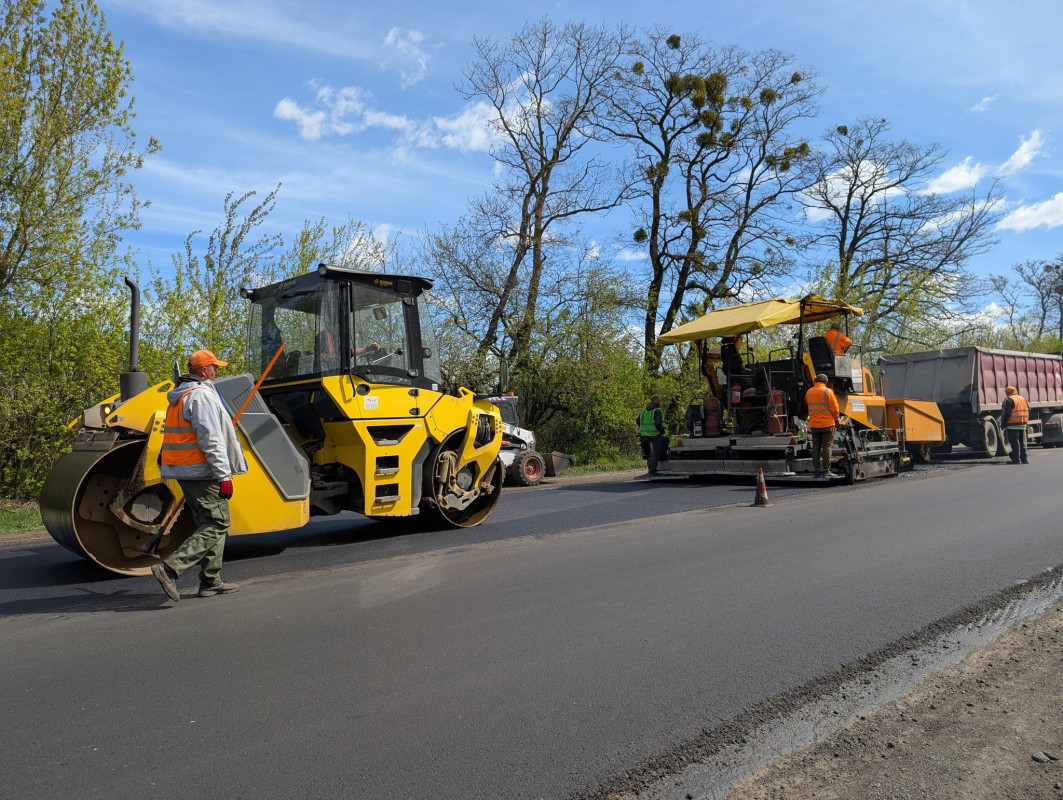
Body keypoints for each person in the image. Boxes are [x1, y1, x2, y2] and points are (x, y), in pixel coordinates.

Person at [152, 349, 248, 602]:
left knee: (209, 524)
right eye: (214, 367)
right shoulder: (201, 396)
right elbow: (210, 438)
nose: (216, 372)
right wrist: (224, 475)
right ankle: (169, 568)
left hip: (187, 471)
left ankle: (210, 581)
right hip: (202, 471)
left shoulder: (181, 396)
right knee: (218, 523)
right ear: (204, 371)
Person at [805, 373, 841, 479]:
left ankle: (816, 471)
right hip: (827, 424)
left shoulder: (809, 391)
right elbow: (834, 408)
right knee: (827, 446)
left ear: (816, 381)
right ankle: (826, 470)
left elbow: (808, 404)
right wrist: (837, 419)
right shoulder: (828, 391)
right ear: (826, 382)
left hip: (814, 425)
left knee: (816, 447)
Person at [637, 395, 668, 476]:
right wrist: (662, 431)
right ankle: (653, 471)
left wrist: (643, 428)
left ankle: (650, 463)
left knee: (648, 453)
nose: (660, 402)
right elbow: (658, 423)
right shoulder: (657, 410)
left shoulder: (643, 411)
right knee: (655, 452)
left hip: (644, 434)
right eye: (659, 401)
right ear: (656, 401)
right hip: (654, 434)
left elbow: (637, 421)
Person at [1002, 385, 1030, 464]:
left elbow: (1006, 414)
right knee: (1022, 443)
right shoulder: (1022, 398)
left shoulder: (1008, 400)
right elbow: (1029, 408)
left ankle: (1016, 459)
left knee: (1015, 443)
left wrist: (1003, 424)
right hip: (1023, 424)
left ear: (1007, 393)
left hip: (1012, 425)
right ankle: (1024, 459)